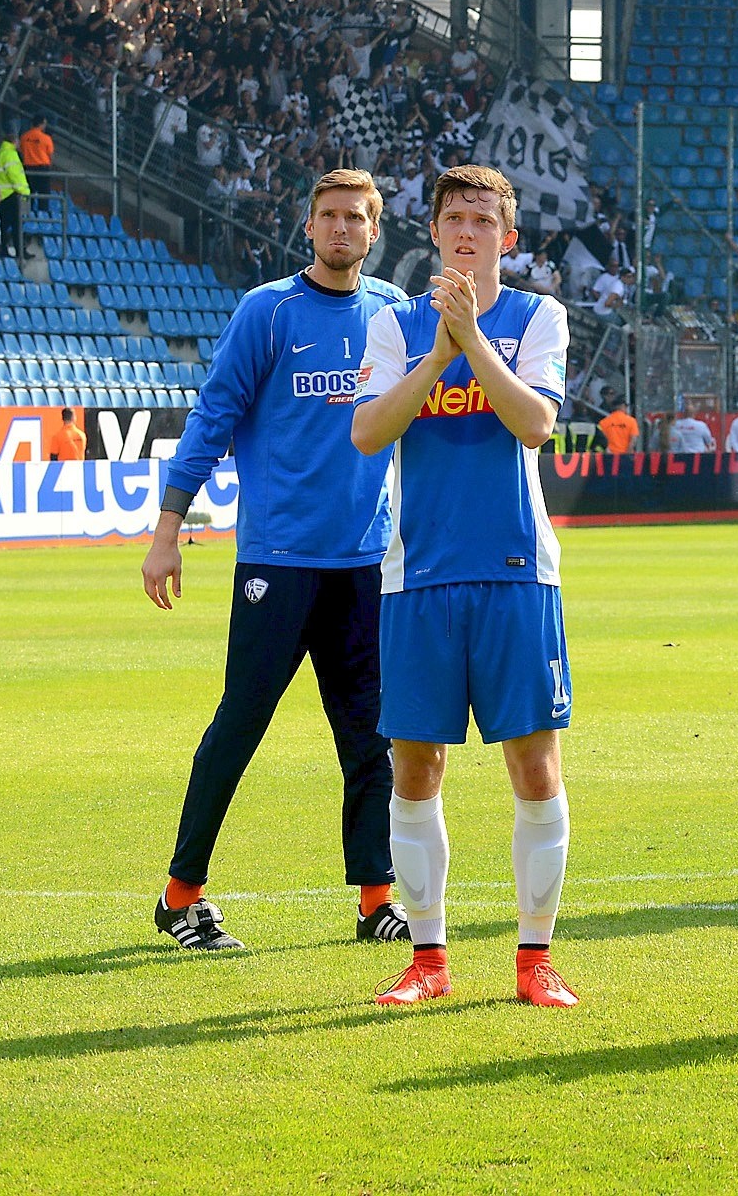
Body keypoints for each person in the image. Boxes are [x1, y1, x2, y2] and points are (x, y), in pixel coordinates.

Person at [141, 170, 410, 952]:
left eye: (355, 217)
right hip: (278, 558)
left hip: (365, 561)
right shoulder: (268, 310)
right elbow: (213, 415)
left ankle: (375, 899)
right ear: (307, 227)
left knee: (370, 735)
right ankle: (180, 894)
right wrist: (167, 529)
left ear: (373, 230)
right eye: (328, 215)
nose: (341, 228)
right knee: (240, 723)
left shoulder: (392, 314)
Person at [351, 166, 577, 1009]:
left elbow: (537, 422)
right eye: (455, 217)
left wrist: (471, 342)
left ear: (507, 238)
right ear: (436, 232)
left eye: (485, 218)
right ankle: (428, 958)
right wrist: (436, 352)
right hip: (418, 576)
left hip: (519, 572)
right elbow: (368, 432)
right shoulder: (393, 325)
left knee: (535, 764)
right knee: (415, 767)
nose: (469, 230)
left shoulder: (536, 316)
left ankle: (534, 959)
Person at [0, 132, 29, 259]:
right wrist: (24, 191)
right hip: (11, 194)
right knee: (17, 225)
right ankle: (20, 251)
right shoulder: (10, 154)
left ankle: (3, 249)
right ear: (15, 142)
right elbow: (15, 175)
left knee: (3, 226)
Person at [17, 117, 56, 206]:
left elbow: (21, 151)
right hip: (43, 169)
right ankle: (43, 215)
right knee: (44, 195)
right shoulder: (46, 138)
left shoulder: (24, 137)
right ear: (41, 124)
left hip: (28, 168)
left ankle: (26, 214)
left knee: (28, 192)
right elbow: (51, 155)